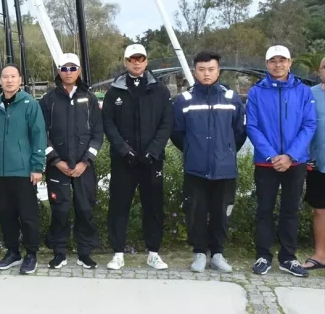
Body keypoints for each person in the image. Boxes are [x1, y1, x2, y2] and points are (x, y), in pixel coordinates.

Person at [170, 52, 246, 274]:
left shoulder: (232, 98)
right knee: (196, 211)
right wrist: (194, 151)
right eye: (202, 69)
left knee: (221, 212)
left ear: (218, 71)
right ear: (195, 71)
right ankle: (200, 254)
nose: (206, 73)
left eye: (211, 69)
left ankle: (218, 254)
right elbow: (176, 133)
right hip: (195, 168)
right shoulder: (184, 100)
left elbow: (239, 133)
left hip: (224, 168)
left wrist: (227, 151)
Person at [102, 44, 173, 271]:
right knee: (119, 206)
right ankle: (118, 253)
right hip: (124, 160)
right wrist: (124, 150)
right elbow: (108, 124)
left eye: (140, 58)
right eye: (132, 59)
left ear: (146, 61)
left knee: (153, 207)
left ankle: (153, 253)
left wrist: (153, 150)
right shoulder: (115, 91)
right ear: (125, 62)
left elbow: (166, 123)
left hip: (152, 160)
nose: (136, 62)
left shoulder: (160, 90)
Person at [247, 45, 316, 277]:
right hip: (266, 163)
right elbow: (253, 126)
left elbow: (309, 125)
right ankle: (263, 256)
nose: (278, 64)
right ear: (266, 64)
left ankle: (288, 257)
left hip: (294, 163)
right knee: (264, 210)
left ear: (290, 62)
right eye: (273, 60)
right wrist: (272, 155)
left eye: (282, 60)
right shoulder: (256, 92)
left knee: (290, 210)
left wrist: (290, 155)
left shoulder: (303, 91)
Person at [39, 53, 103, 270]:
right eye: (64, 69)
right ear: (58, 71)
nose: (68, 72)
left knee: (85, 209)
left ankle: (85, 253)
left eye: (72, 68)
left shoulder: (90, 99)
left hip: (84, 166)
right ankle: (59, 252)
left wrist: (86, 162)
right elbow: (41, 134)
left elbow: (97, 134)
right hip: (58, 167)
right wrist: (56, 161)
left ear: (79, 71)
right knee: (60, 210)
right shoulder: (48, 100)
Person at [0, 64, 47, 275]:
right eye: (5, 77)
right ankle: (13, 252)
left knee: (28, 216)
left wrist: (37, 166)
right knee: (6, 215)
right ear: (0, 80)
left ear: (20, 79)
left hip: (23, 171)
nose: (9, 80)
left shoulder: (30, 104)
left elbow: (38, 135)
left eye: (13, 76)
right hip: (1, 172)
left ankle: (31, 254)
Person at [304, 57, 325, 271]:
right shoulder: (309, 94)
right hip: (318, 163)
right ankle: (320, 255)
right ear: (319, 71)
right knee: (320, 211)